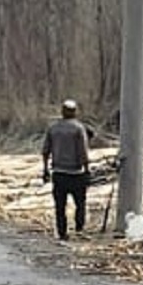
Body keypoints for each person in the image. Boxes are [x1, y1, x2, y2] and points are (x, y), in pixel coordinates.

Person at [41, 99, 91, 240]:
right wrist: (87, 169)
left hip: (59, 172)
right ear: (75, 112)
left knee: (60, 206)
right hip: (76, 173)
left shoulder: (53, 128)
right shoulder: (78, 128)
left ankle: (62, 232)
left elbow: (45, 151)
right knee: (80, 203)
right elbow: (83, 151)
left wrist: (45, 169)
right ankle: (79, 228)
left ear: (62, 111)